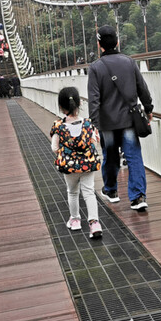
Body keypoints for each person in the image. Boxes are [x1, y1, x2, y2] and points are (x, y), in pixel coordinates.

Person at [87, 25, 153, 211]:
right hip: (128, 121)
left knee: (110, 156)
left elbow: (94, 99)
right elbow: (143, 88)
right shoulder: (129, 62)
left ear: (99, 44)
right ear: (117, 42)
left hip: (106, 123)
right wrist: (148, 108)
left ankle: (111, 190)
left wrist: (94, 124)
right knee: (133, 157)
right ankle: (138, 197)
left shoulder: (95, 68)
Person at [51, 86, 102, 239]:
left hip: (69, 166)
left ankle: (75, 220)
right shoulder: (88, 124)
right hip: (87, 165)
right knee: (89, 192)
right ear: (79, 104)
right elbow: (94, 142)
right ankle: (94, 223)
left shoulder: (58, 126)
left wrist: (67, 152)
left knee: (72, 192)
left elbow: (54, 147)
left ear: (61, 107)